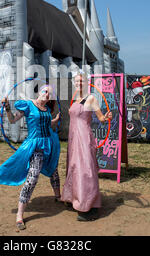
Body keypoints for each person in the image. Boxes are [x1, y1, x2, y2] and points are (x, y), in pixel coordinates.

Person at [0, 85, 61, 230]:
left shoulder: (47, 110)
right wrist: (8, 108)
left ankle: (58, 196)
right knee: (32, 177)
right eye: (45, 91)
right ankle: (19, 214)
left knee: (53, 169)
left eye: (50, 93)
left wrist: (55, 120)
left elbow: (48, 124)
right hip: (35, 147)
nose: (47, 94)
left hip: (49, 143)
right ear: (39, 92)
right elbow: (12, 120)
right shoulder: (28, 105)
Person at [61, 73, 112, 221]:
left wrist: (106, 117)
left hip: (84, 138)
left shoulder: (91, 98)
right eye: (76, 81)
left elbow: (101, 118)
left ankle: (89, 206)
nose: (78, 83)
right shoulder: (76, 99)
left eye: (81, 81)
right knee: (74, 167)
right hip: (73, 139)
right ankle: (75, 198)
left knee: (85, 169)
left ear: (87, 82)